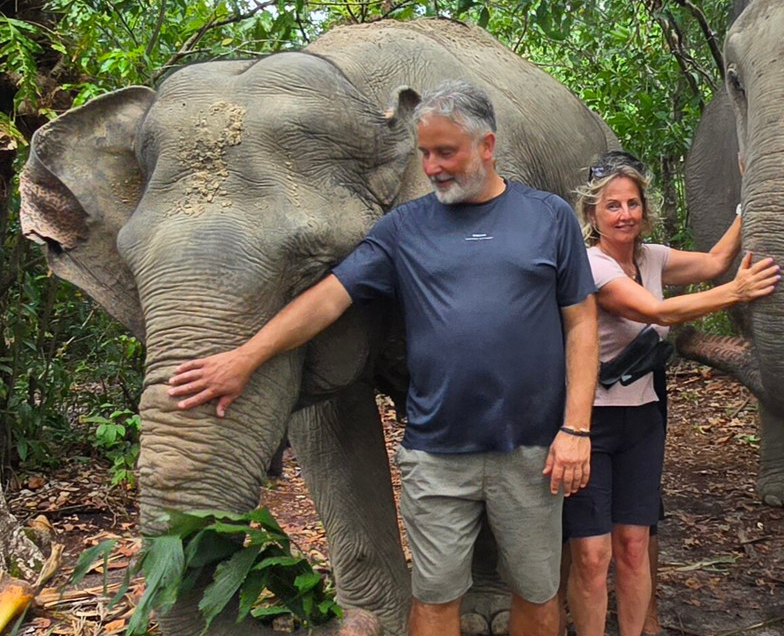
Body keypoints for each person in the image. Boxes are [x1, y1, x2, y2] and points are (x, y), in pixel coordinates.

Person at [167, 80, 599, 636]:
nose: (433, 167)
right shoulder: (404, 227)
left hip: (533, 449)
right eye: (424, 154)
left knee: (538, 595)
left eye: (447, 152)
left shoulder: (550, 217)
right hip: (437, 454)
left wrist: (577, 428)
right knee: (436, 595)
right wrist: (246, 357)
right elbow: (327, 298)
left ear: (487, 146)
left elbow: (581, 322)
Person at [563, 150, 779, 636]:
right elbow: (655, 313)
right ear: (592, 213)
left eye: (633, 204)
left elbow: (716, 262)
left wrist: (749, 200)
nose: (624, 215)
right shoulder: (591, 268)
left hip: (642, 421)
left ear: (645, 209)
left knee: (635, 546)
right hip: (589, 423)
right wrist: (737, 293)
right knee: (592, 556)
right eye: (612, 205)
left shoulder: (652, 257)